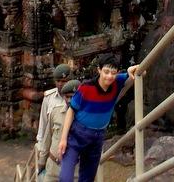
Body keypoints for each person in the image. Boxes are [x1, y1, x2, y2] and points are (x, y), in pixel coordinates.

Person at [57, 54, 139, 182]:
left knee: (88, 178)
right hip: (77, 135)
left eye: (113, 73)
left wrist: (132, 71)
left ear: (117, 73)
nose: (109, 76)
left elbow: (135, 73)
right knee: (65, 177)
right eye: (106, 72)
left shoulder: (117, 82)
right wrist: (63, 139)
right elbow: (71, 111)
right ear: (99, 70)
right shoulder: (86, 88)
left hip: (97, 137)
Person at [38, 80, 79, 182]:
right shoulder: (55, 112)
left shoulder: (87, 117)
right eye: (67, 96)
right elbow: (47, 139)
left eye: (72, 96)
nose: (69, 100)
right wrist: (41, 162)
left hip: (75, 170)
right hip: (53, 167)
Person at [36, 63, 71, 154]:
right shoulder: (48, 98)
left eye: (64, 81)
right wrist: (40, 145)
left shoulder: (78, 98)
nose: (60, 84)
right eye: (58, 81)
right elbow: (43, 123)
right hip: (53, 146)